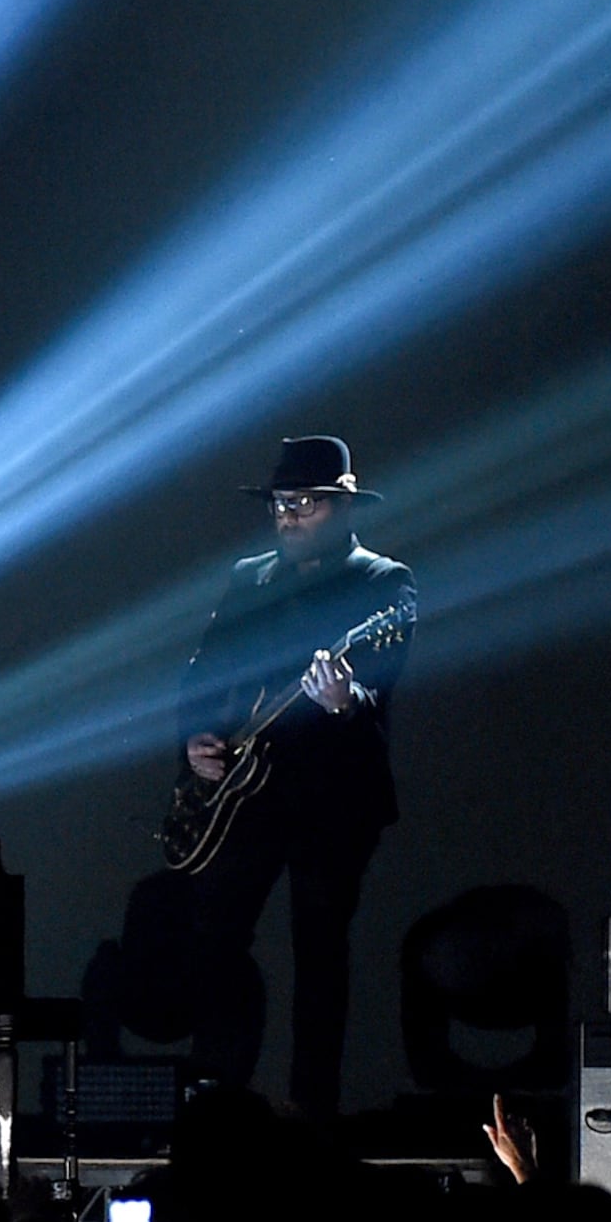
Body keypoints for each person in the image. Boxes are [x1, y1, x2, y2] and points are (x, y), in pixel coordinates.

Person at [175, 435, 417, 1120]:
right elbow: (203, 672)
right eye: (282, 504)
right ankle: (216, 1100)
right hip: (244, 795)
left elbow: (380, 683)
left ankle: (314, 1111)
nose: (287, 517)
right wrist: (195, 737)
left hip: (334, 801)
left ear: (340, 508)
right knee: (215, 937)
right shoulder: (250, 577)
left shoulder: (382, 583)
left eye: (304, 504)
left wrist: (345, 704)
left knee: (319, 950)